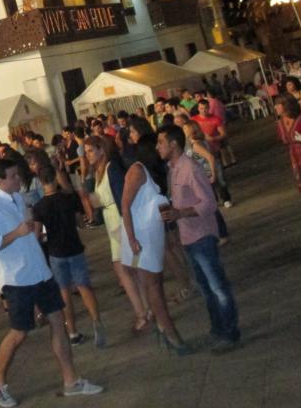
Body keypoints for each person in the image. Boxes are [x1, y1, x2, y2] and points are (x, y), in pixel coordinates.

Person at [0, 158, 103, 405]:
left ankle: (71, 380)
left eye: (17, 174)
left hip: (40, 272)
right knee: (19, 332)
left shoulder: (19, 199)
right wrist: (16, 234)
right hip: (16, 279)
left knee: (58, 321)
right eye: (13, 176)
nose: (18, 179)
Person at [157, 125, 241, 351]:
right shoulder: (173, 169)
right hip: (188, 236)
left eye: (161, 142)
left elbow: (209, 203)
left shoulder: (189, 168)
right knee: (205, 286)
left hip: (202, 234)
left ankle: (230, 332)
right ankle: (218, 329)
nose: (158, 147)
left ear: (174, 144)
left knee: (217, 286)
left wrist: (180, 213)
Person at [119, 142, 190, 355]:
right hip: (141, 234)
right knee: (154, 286)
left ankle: (164, 327)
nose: (159, 147)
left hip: (151, 231)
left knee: (155, 283)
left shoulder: (149, 170)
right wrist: (131, 238)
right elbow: (125, 205)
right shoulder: (137, 170)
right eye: (157, 144)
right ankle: (169, 331)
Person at [32, 165, 106, 348]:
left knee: (64, 292)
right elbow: (80, 223)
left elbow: (37, 234)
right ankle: (96, 320)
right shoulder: (69, 198)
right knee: (84, 286)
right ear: (55, 179)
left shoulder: (39, 206)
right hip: (74, 247)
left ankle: (72, 332)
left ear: (41, 182)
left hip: (56, 251)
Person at [85, 134, 152, 333]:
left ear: (101, 150)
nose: (88, 155)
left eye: (91, 151)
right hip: (111, 218)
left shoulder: (111, 168)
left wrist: (127, 225)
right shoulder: (99, 172)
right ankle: (145, 309)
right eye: (86, 152)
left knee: (127, 267)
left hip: (119, 219)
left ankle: (143, 311)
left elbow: (122, 197)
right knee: (128, 267)